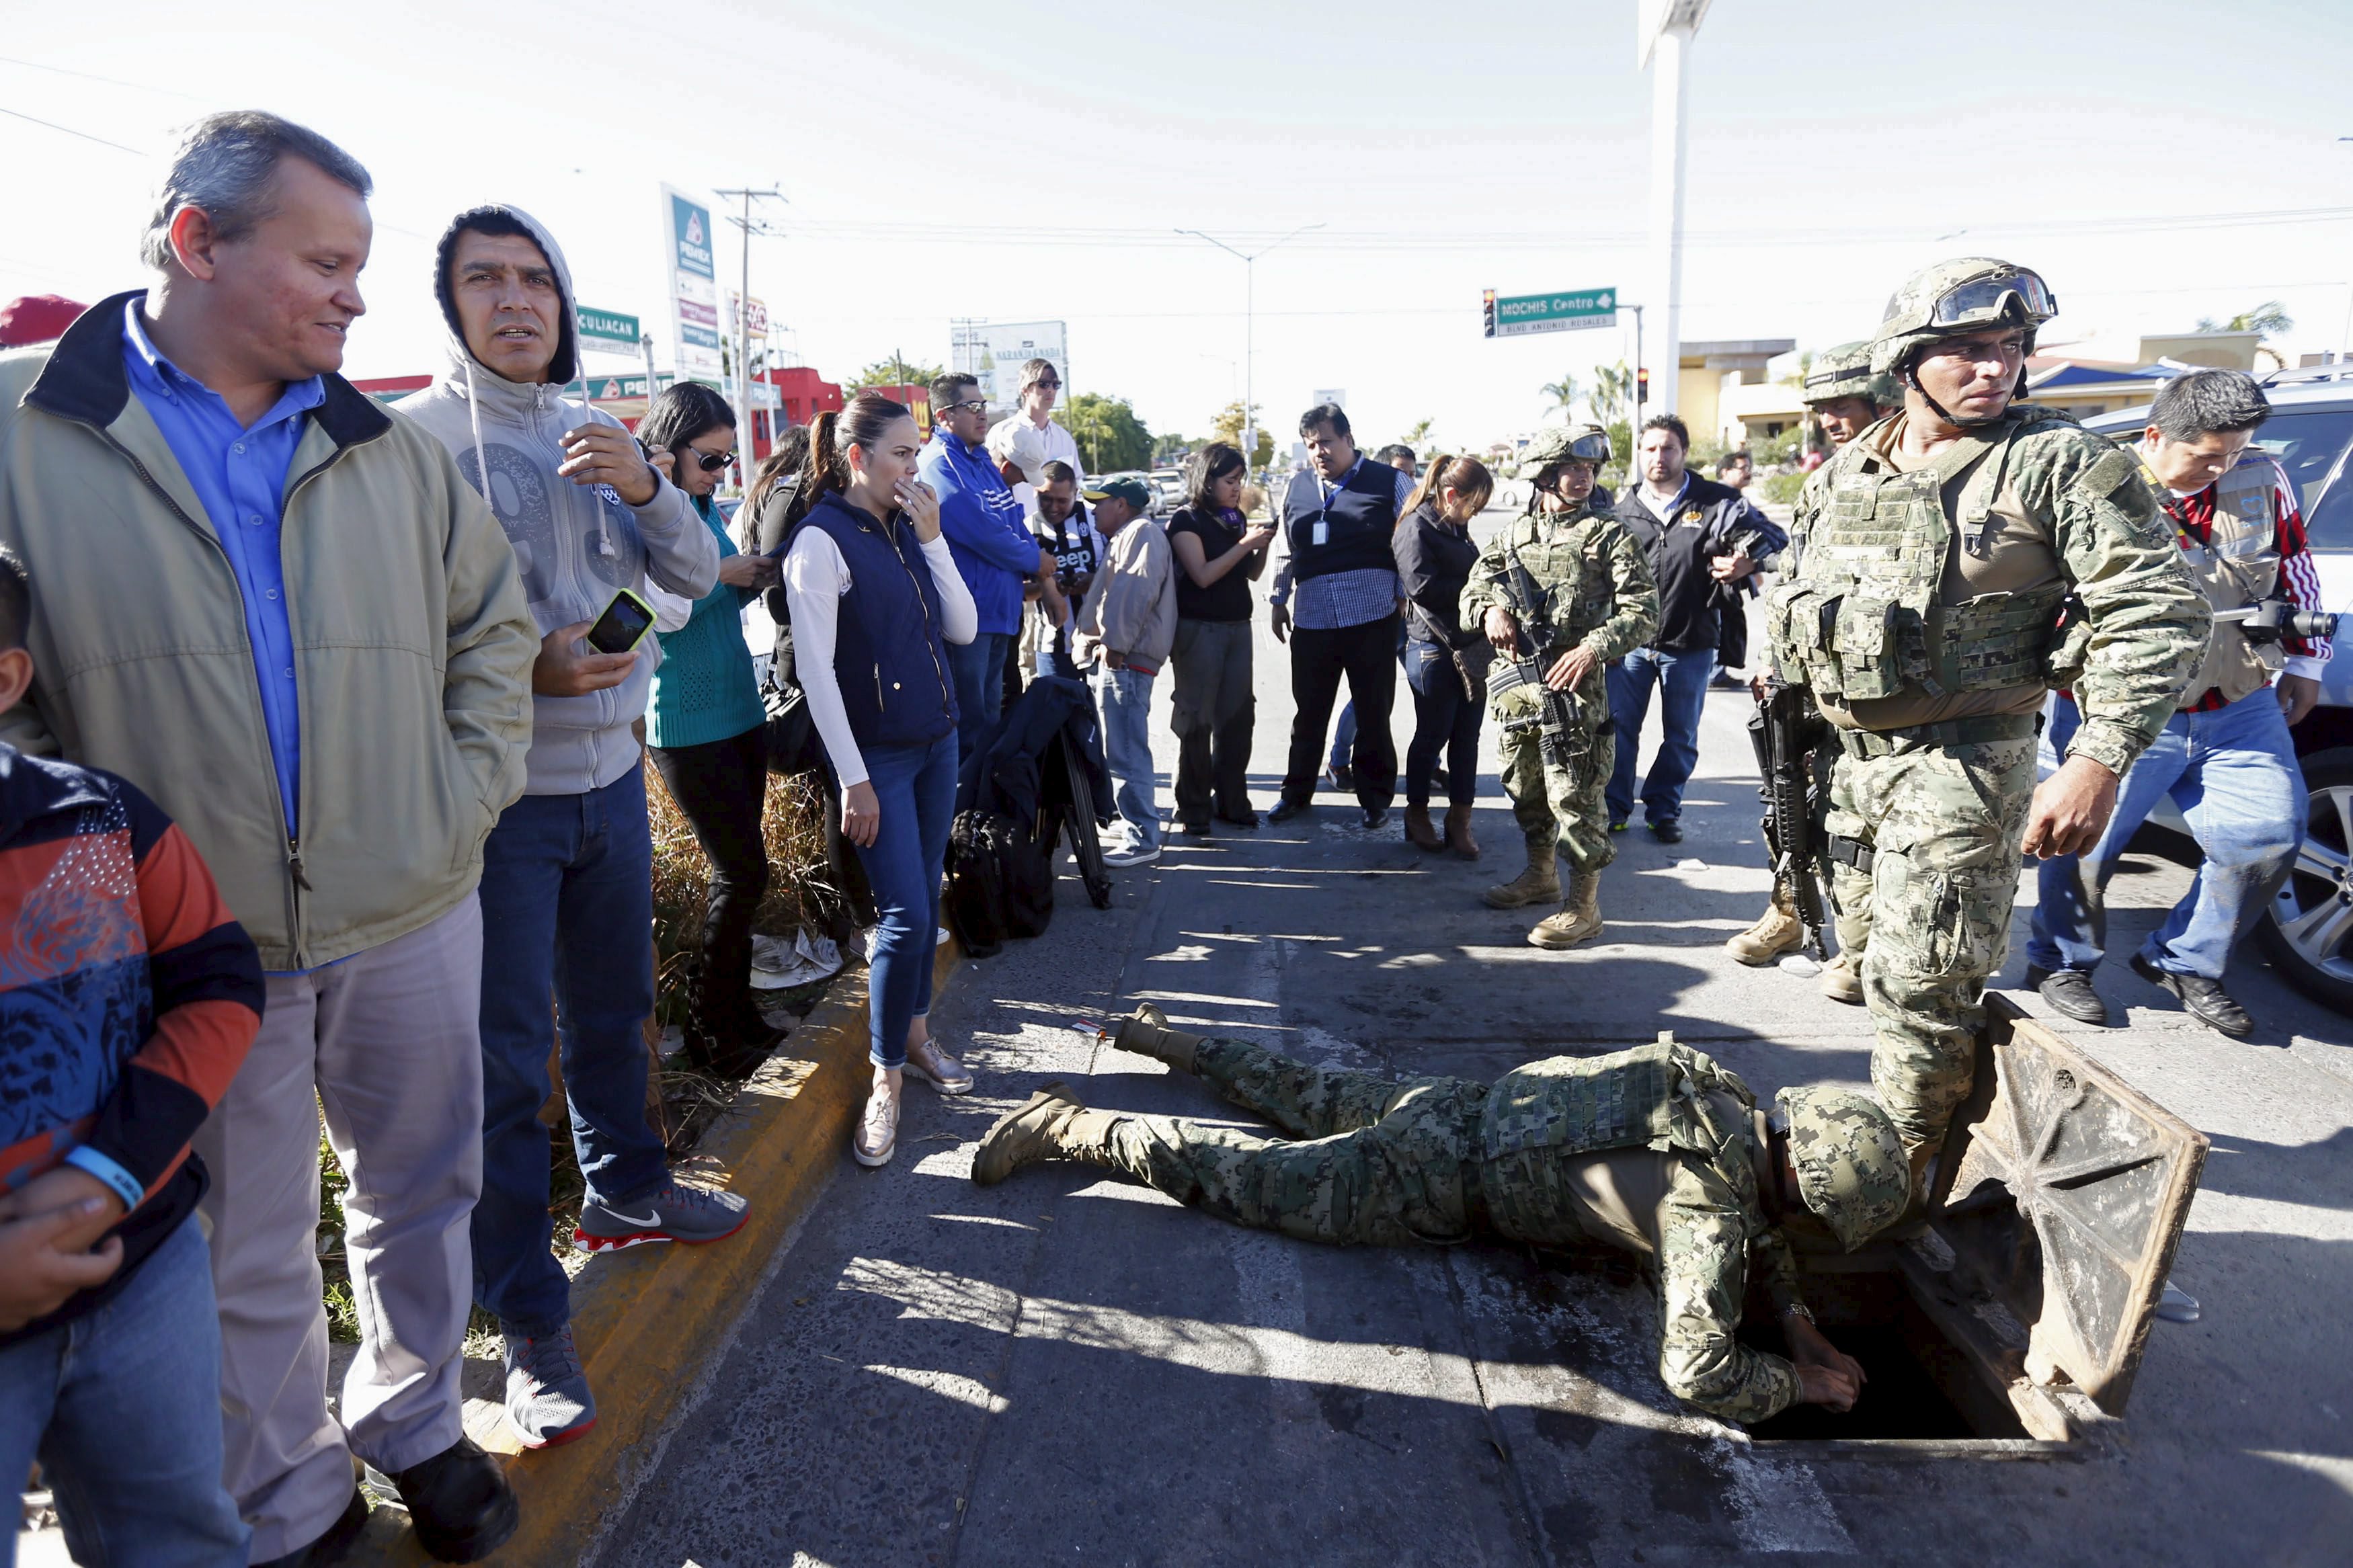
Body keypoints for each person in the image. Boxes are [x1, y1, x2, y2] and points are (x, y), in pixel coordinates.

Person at [0, 114, 539, 1564]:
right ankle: (292, 1495)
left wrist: (463, 792)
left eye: (359, 266)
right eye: (326, 260)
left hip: (411, 899)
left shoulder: (386, 447)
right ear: (195, 241)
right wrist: (93, 879)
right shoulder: (21, 432)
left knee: (425, 1187)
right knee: (239, 1243)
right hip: (187, 950)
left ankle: (415, 1419)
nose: (357, 296)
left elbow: (493, 627)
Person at [403, 203, 746, 1456]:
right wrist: (518, 674)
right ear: (450, 304)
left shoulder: (595, 429)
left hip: (612, 781)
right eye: (485, 279)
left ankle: (629, 1192)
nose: (516, 300)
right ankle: (529, 1317)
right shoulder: (414, 442)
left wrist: (651, 482)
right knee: (504, 1069)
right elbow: (389, 636)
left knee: (615, 1013)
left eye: (535, 278)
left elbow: (696, 578)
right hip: (496, 805)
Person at [1771, 257, 2208, 1196]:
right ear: (1907, 361)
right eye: (1968, 350)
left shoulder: (2058, 461)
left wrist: (2097, 759)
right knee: (1871, 965)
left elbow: (2156, 610)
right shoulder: (1850, 468)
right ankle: (1924, 1150)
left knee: (1925, 987)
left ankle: (1890, 1193)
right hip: (1852, 767)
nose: (1996, 369)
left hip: (1964, 764)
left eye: (2011, 349)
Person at [974, 1007, 1908, 1426]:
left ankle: (1159, 1034)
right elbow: (1696, 1367)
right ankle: (1071, 1126)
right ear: (1810, 1185)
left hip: (1457, 1103)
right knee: (1245, 1175)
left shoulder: (1723, 1094)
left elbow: (1761, 1229)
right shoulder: (1709, 1204)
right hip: (1431, 1178)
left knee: (1298, 1087)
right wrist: (1799, 1386)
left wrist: (1796, 1322)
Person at [0, 547, 264, 1568]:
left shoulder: (103, 821)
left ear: (8, 680)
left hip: (143, 1270)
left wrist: (103, 1179)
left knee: (181, 1538)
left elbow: (217, 982)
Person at [2026, 370, 2326, 1038]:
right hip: (2121, 709)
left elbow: (2293, 560)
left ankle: (2183, 958)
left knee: (2269, 836)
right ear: (2154, 435)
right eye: (2204, 455)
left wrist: (2306, 661)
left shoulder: (2262, 477)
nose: (2218, 467)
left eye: (2232, 451)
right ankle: (2058, 960)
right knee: (2081, 847)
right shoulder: (2095, 489)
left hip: (2236, 701)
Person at [783, 394, 980, 1169]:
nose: (915, 466)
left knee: (924, 895)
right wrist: (854, 779)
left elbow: (959, 627)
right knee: (901, 917)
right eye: (902, 452)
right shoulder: (819, 542)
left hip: (937, 742)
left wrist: (933, 541)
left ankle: (918, 1037)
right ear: (857, 456)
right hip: (879, 760)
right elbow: (815, 672)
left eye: (916, 450)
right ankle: (884, 1078)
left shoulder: (904, 528)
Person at [1726, 341, 1901, 1003]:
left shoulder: (1921, 478)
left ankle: (1864, 948)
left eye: (1842, 404)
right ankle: (1789, 909)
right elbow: (1794, 582)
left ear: (1884, 400)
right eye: (1821, 407)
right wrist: (1771, 665)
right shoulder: (1826, 481)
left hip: (1889, 693)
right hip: (1812, 683)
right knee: (1787, 802)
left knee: (1869, 826)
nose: (1829, 418)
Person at [1464, 427, 1661, 948]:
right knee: (1525, 789)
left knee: (1576, 794)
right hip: (1517, 689)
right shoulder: (1514, 535)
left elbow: (1644, 613)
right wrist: (1491, 609)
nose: (1584, 477)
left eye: (1590, 469)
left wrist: (1593, 647)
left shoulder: (1609, 535)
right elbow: (1474, 588)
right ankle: (1540, 876)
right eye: (1572, 468)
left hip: (1574, 688)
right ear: (1545, 475)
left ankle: (1584, 906)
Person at [639, 383, 785, 1073]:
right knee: (740, 872)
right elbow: (643, 610)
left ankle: (734, 1012)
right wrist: (720, 572)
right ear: (666, 449)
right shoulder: (639, 511)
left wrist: (742, 576)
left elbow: (708, 596)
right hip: (688, 722)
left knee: (747, 874)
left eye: (727, 461)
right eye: (709, 459)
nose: (719, 473)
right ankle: (707, 1031)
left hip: (737, 710)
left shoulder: (696, 504)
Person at [1607, 414, 1786, 843]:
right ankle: (1613, 809)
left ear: (1684, 453)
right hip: (1630, 645)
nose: (1659, 457)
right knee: (1617, 732)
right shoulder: (1619, 512)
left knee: (1681, 736)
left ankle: (1663, 810)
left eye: (1668, 448)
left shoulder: (1718, 502)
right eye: (1650, 449)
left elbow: (1778, 541)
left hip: (1692, 642)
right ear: (1640, 454)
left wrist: (1750, 562)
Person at [1268, 404, 1418, 829]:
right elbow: (1284, 545)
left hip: (1372, 615)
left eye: (1327, 442)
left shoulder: (1391, 480)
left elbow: (1411, 539)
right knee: (1309, 715)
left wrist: (1405, 595)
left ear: (1348, 440)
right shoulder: (1296, 486)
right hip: (1313, 619)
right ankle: (1296, 794)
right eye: (1312, 444)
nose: (1320, 451)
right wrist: (1278, 599)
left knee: (1374, 712)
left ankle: (1375, 799)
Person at [923, 371, 1045, 764]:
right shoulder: (939, 463)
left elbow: (1012, 520)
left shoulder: (981, 461)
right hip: (968, 618)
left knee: (990, 719)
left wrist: (1034, 554)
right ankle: (960, 816)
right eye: (971, 407)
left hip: (999, 612)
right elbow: (980, 531)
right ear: (943, 416)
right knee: (969, 726)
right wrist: (1033, 560)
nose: (981, 414)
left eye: (983, 405)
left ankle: (983, 810)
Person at [1166, 442, 1276, 833]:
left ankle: (1232, 801)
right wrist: (1245, 544)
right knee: (1196, 720)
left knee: (1237, 717)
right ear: (1206, 480)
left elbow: (1249, 574)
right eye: (1230, 481)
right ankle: (1194, 808)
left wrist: (1262, 545)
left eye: (1240, 480)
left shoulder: (1235, 517)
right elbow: (1203, 575)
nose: (1236, 488)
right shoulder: (1186, 521)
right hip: (1199, 630)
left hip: (1237, 626)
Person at [1073, 477, 1179, 867]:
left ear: (1121, 504)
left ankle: (1142, 836)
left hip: (1126, 656)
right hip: (1124, 654)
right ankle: (1137, 824)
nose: (1094, 510)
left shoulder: (1140, 532)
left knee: (1127, 749)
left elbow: (1135, 593)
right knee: (1123, 746)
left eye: (1100, 503)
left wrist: (1115, 645)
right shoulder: (1133, 534)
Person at [1394, 454, 1496, 857]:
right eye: (1475, 504)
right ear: (1451, 494)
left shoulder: (1457, 526)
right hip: (1433, 649)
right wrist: (1481, 593)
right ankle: (1417, 813)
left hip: (1469, 647)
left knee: (1467, 739)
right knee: (1432, 736)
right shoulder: (1415, 527)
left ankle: (1460, 819)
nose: (1477, 512)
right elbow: (1423, 588)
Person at [1029, 461, 1098, 679]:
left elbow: (1121, 574)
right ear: (1034, 490)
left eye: (1062, 501)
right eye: (1046, 498)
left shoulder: (1097, 520)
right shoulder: (1026, 528)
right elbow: (1019, 591)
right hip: (1053, 647)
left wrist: (1094, 581)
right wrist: (1047, 586)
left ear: (1076, 494)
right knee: (1057, 713)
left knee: (1098, 713)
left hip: (1098, 642)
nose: (1053, 507)